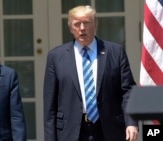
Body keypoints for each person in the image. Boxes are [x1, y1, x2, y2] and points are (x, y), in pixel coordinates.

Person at [43, 5, 138, 141]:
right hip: (71, 131)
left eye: (86, 23)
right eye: (77, 24)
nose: (82, 28)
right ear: (70, 28)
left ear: (96, 25)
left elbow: (128, 91)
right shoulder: (56, 57)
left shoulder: (115, 52)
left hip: (109, 129)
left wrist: (131, 123)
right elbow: (50, 105)